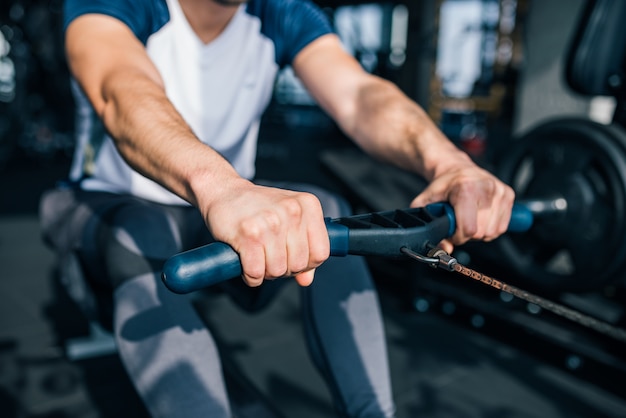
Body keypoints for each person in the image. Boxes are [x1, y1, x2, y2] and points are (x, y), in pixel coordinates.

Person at [40, 0, 515, 417]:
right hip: (112, 204)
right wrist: (220, 187)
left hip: (222, 214)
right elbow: (119, 89)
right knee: (140, 231)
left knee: (323, 209)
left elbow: (359, 96)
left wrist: (450, 163)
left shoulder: (278, 12)